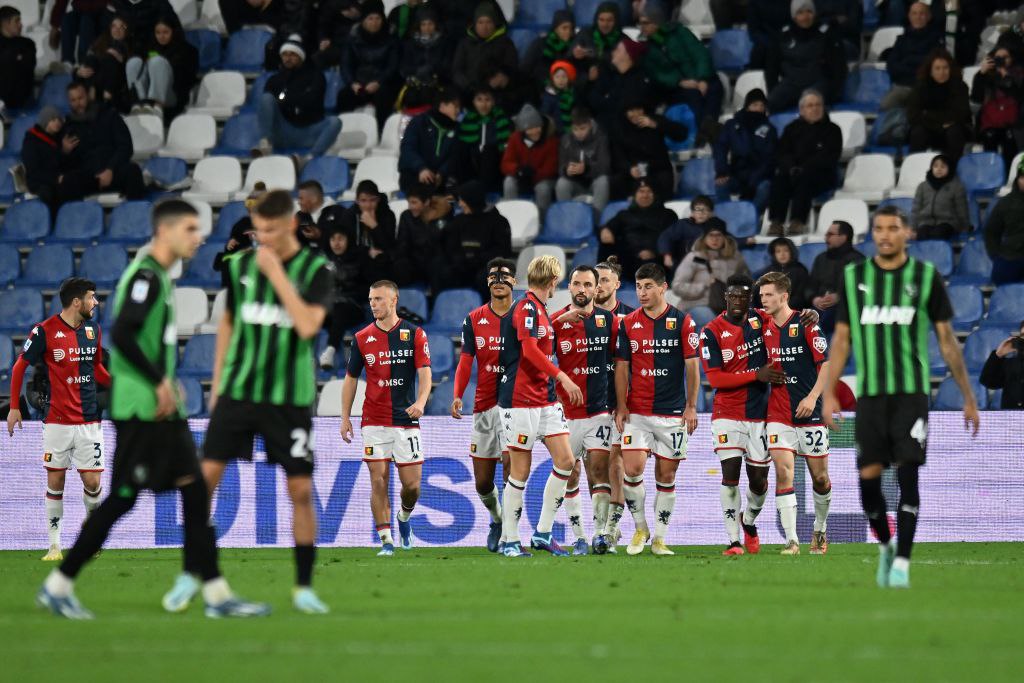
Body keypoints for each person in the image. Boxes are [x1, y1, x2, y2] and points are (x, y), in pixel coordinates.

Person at [37, 200, 269, 620]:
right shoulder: (145, 276)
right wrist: (159, 380)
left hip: (159, 411)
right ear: (166, 231)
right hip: (142, 411)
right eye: (191, 228)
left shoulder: (158, 275)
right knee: (124, 498)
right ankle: (59, 584)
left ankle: (216, 594)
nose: (199, 237)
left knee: (193, 492)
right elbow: (124, 333)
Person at [823, 205, 980, 589]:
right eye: (879, 228)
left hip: (911, 396)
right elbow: (841, 339)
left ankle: (902, 565)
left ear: (907, 233)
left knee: (908, 477)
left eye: (893, 228)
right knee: (868, 487)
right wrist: (829, 394)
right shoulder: (854, 277)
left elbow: (947, 340)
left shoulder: (925, 277)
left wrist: (968, 396)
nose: (885, 235)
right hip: (871, 398)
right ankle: (887, 546)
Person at [202, 190, 333, 614]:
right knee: (203, 483)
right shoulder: (239, 265)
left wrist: (276, 274)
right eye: (259, 231)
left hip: (288, 398)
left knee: (300, 490)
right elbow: (227, 321)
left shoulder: (316, 269)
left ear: (292, 224)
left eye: (272, 231)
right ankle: (204, 579)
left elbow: (308, 326)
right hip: (239, 391)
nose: (264, 239)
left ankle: (303, 587)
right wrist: (217, 384)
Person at [6, 278, 109, 561]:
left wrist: (120, 386)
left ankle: (90, 535)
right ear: (76, 302)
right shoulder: (44, 331)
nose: (95, 302)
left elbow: (97, 369)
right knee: (56, 481)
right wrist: (14, 407)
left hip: (89, 420)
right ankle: (54, 546)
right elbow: (19, 367)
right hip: (57, 422)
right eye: (91, 297)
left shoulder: (93, 330)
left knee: (92, 482)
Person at [498, 255, 584, 558]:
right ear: (553, 281)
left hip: (545, 399)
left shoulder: (538, 309)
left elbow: (540, 332)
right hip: (520, 399)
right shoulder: (526, 307)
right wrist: (563, 377)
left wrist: (560, 319)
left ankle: (543, 533)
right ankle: (510, 540)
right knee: (520, 471)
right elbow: (530, 350)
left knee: (566, 461)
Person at [614, 263, 699, 556]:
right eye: (639, 287)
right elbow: (622, 367)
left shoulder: (683, 322)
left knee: (666, 476)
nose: (642, 292)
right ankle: (640, 528)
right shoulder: (627, 323)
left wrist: (691, 407)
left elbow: (692, 367)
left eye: (648, 286)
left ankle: (660, 539)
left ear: (663, 288)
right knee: (632, 469)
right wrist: (621, 406)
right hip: (637, 412)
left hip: (672, 413)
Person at [341, 281, 432, 556]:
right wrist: (345, 417)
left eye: (379, 299)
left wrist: (420, 402)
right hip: (374, 420)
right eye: (371, 299)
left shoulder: (414, 334)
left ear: (394, 300)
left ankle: (404, 517)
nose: (373, 304)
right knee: (378, 479)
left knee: (412, 486)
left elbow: (425, 373)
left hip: (405, 419)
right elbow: (350, 379)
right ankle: (386, 541)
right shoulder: (362, 338)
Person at [699, 275, 782, 556]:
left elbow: (786, 316)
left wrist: (811, 314)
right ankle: (734, 541)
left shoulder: (761, 319)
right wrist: (756, 374)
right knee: (730, 476)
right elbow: (716, 379)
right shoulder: (711, 332)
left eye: (743, 296)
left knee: (759, 483)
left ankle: (749, 520)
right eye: (733, 296)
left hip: (759, 414)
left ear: (750, 299)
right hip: (727, 414)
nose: (737, 301)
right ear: (726, 298)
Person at [757, 271, 832, 555]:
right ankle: (792, 541)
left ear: (784, 296)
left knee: (820, 479)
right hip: (778, 413)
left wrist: (812, 397)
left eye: (769, 295)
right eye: (761, 295)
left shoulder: (806, 324)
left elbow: (826, 365)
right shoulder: (761, 323)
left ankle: (820, 529)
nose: (763, 300)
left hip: (810, 413)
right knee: (783, 472)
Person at [451, 258, 518, 552]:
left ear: (514, 281)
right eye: (493, 276)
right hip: (483, 406)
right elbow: (466, 361)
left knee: (510, 469)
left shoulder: (524, 315)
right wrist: (457, 394)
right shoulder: (474, 319)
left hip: (514, 404)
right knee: (482, 483)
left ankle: (509, 535)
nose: (499, 280)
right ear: (487, 281)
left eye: (505, 276)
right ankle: (497, 519)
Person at [551, 265, 617, 556]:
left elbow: (621, 364)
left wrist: (621, 404)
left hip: (599, 411)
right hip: (565, 413)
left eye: (588, 284)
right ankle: (578, 537)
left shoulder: (608, 321)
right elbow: (532, 350)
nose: (582, 289)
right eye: (577, 283)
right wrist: (557, 321)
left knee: (599, 471)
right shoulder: (557, 321)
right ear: (569, 287)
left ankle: (600, 534)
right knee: (571, 474)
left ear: (596, 289)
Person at [592, 257, 633, 551]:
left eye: (605, 280)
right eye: (596, 281)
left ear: (617, 284)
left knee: (616, 462)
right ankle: (602, 527)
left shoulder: (630, 318)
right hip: (589, 400)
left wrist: (627, 402)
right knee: (595, 468)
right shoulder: (578, 316)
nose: (599, 286)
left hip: (622, 402)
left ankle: (611, 528)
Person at [255, 35, 342, 165]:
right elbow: (270, 105)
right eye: (284, 54)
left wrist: (285, 99)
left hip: (309, 131)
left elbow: (312, 102)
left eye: (292, 55)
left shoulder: (316, 76)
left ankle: (308, 159)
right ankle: (265, 144)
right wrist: (297, 98)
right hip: (283, 131)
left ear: (301, 57)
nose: (288, 58)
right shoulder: (274, 80)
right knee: (266, 98)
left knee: (335, 122)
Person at [766, 89, 842, 236]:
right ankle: (776, 222)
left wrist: (804, 168)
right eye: (810, 105)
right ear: (802, 110)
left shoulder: (833, 130)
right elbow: (782, 153)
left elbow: (830, 156)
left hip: (821, 175)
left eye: (818, 105)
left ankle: (798, 221)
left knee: (805, 178)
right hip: (792, 172)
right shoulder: (791, 129)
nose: (815, 108)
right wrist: (791, 167)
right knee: (779, 179)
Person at [638, 1, 721, 124]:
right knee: (693, 97)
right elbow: (656, 74)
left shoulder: (679, 32)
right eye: (640, 23)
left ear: (656, 22)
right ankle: (701, 131)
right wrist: (679, 82)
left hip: (700, 78)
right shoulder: (645, 47)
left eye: (646, 23)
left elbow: (700, 54)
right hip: (676, 87)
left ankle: (710, 127)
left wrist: (702, 79)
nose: (642, 27)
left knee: (714, 87)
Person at [63, 80, 146, 199]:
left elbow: (126, 147)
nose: (78, 103)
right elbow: (70, 164)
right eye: (73, 100)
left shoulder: (110, 115)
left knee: (133, 171)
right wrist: (65, 152)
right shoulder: (69, 127)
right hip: (89, 178)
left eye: (80, 98)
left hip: (114, 172)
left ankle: (134, 210)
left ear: (88, 95)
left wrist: (110, 169)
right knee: (68, 181)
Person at [433, 180, 512, 298]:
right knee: (441, 269)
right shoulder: (459, 220)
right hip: (463, 265)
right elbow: (449, 245)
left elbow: (502, 250)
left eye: (462, 200)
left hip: (486, 266)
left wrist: (476, 259)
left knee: (484, 277)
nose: (460, 204)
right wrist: (459, 259)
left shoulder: (498, 221)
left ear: (472, 200)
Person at [765, 1, 847, 112]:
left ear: (814, 13)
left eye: (809, 11)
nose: (805, 17)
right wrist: (772, 90)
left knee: (811, 105)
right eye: (800, 12)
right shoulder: (783, 35)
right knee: (770, 104)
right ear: (794, 16)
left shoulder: (826, 34)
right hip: (791, 83)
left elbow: (839, 67)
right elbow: (772, 67)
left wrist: (832, 94)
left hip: (817, 82)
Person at [337, 1, 400, 129]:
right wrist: (352, 83)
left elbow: (392, 66)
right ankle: (345, 130)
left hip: (382, 84)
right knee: (344, 96)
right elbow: (346, 64)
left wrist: (378, 82)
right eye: (370, 18)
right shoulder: (353, 38)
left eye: (378, 18)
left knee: (384, 97)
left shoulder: (391, 39)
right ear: (363, 20)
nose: (374, 22)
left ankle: (381, 131)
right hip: (358, 83)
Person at [20, 107, 99, 209]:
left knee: (78, 177)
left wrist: (65, 152)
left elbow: (58, 163)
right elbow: (33, 171)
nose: (57, 122)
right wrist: (56, 178)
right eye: (53, 120)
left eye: (59, 119)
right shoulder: (31, 141)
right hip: (40, 182)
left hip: (57, 178)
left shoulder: (58, 137)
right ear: (45, 121)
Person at [598, 181, 678, 281]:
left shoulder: (668, 215)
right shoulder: (624, 214)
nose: (645, 195)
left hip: (656, 260)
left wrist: (654, 252)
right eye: (641, 191)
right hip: (629, 259)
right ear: (635, 195)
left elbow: (672, 237)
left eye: (649, 191)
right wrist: (605, 230)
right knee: (606, 244)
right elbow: (609, 227)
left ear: (655, 194)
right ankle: (604, 281)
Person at [713, 88, 777, 214]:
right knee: (721, 184)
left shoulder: (770, 129)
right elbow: (720, 147)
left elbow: (770, 158)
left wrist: (754, 180)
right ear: (747, 106)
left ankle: (751, 218)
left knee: (765, 187)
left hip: (760, 175)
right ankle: (726, 219)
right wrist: (722, 171)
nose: (758, 109)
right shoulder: (732, 125)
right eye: (755, 105)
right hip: (736, 173)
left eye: (762, 105)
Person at [317, 225, 371, 371]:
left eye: (340, 239)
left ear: (348, 240)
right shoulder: (324, 261)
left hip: (353, 307)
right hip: (331, 308)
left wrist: (346, 289)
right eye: (333, 239)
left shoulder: (360, 259)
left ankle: (330, 352)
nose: (336, 243)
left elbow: (368, 288)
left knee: (340, 311)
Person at [610, 99, 687, 200]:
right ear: (625, 113)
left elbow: (682, 134)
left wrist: (656, 125)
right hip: (634, 172)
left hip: (657, 169)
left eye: (638, 109)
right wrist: (629, 169)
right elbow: (618, 155)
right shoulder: (620, 128)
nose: (636, 114)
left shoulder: (654, 119)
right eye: (631, 111)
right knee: (616, 181)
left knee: (664, 178)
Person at [906, 48, 971, 166]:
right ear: (930, 71)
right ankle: (915, 168)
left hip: (953, 129)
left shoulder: (960, 87)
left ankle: (952, 169)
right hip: (929, 128)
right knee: (917, 133)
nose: (942, 72)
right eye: (937, 68)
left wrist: (928, 114)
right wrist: (940, 124)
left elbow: (961, 113)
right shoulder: (920, 87)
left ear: (951, 69)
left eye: (945, 68)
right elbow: (913, 115)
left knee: (954, 132)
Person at [125, 15, 198, 119]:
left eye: (165, 32)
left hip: (172, 94)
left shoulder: (188, 50)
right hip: (146, 94)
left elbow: (187, 80)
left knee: (157, 61)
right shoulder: (150, 47)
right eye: (158, 33)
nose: (161, 36)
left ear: (173, 31)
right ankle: (137, 104)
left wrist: (164, 65)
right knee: (134, 62)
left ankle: (157, 107)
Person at [671, 224, 751, 313]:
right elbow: (677, 286)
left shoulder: (736, 258)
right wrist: (703, 285)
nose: (714, 239)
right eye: (711, 235)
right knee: (708, 316)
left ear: (725, 238)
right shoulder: (693, 257)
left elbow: (747, 282)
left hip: (726, 306)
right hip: (696, 305)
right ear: (704, 238)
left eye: (718, 235)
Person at [881, 1, 944, 111]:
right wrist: (914, 66)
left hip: (924, 88)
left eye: (921, 14)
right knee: (886, 105)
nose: (918, 17)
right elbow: (891, 65)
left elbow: (930, 66)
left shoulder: (936, 40)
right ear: (909, 16)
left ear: (928, 17)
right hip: (902, 86)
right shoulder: (901, 40)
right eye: (914, 13)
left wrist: (907, 62)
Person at [806, 220, 864, 335]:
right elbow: (810, 286)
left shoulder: (858, 260)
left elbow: (862, 289)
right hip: (818, 306)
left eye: (830, 234)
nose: (826, 238)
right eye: (826, 234)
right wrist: (815, 299)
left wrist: (839, 297)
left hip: (844, 309)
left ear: (844, 237)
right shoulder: (821, 258)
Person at [398, 87, 461, 194]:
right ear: (442, 105)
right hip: (415, 175)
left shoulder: (457, 129)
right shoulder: (419, 122)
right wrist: (421, 168)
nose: (458, 111)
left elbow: (454, 156)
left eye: (459, 107)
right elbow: (408, 148)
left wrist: (442, 173)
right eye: (455, 106)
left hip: (440, 179)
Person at [971, 45, 1024, 170]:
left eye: (1005, 57)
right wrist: (981, 74)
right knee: (990, 138)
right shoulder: (984, 76)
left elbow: (1020, 97)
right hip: (990, 122)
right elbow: (976, 99)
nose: (1001, 60)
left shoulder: (1019, 75)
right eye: (998, 57)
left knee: (1010, 141)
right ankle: (991, 174)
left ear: (1012, 59)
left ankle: (1009, 175)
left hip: (1013, 124)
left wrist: (1007, 77)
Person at [501, 104, 559, 216]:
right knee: (509, 182)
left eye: (537, 127)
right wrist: (518, 170)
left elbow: (551, 168)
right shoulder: (515, 138)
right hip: (521, 175)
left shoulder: (551, 140)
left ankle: (541, 219)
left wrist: (534, 173)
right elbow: (506, 163)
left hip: (543, 178)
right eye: (530, 129)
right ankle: (511, 217)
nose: (534, 131)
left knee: (543, 189)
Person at [451, 1, 517, 97]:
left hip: (495, 95)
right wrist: (469, 87)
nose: (484, 27)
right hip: (468, 94)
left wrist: (503, 76)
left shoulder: (505, 43)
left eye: (488, 22)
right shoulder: (465, 44)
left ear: (495, 24)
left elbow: (511, 68)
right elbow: (457, 70)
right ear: (475, 24)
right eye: (480, 22)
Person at [586, 38, 652, 131]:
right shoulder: (613, 74)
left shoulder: (637, 82)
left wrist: (604, 100)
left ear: (628, 55)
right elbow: (594, 99)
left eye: (618, 50)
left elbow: (615, 107)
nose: (613, 52)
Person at [396, 5, 453, 110]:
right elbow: (404, 67)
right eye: (423, 24)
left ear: (436, 25)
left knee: (430, 96)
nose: (427, 28)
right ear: (419, 26)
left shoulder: (444, 43)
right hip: (414, 82)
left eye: (430, 24)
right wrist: (417, 72)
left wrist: (432, 71)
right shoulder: (410, 44)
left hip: (437, 83)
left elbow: (447, 66)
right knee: (411, 97)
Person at [555, 107, 611, 214]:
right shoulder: (566, 139)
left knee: (603, 181)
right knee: (561, 183)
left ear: (590, 125)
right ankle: (568, 218)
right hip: (576, 183)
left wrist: (587, 168)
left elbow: (605, 166)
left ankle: (597, 219)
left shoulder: (601, 138)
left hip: (594, 182)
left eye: (582, 128)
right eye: (575, 129)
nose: (579, 133)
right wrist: (567, 170)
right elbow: (561, 167)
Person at [456, 85, 510, 193]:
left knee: (489, 151)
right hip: (472, 164)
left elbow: (505, 147)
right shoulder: (467, 119)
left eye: (487, 99)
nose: (483, 104)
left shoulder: (500, 118)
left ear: (493, 102)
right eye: (479, 99)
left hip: (494, 165)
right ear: (473, 101)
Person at [391, 185, 446, 287]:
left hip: (434, 263)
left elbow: (441, 246)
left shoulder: (440, 216)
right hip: (414, 263)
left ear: (426, 202)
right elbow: (402, 244)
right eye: (409, 202)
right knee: (400, 265)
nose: (410, 207)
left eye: (414, 202)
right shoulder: (406, 216)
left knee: (439, 264)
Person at [340, 179, 397, 278]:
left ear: (378, 199)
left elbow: (389, 246)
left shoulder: (387, 215)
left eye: (372, 200)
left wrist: (374, 226)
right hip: (357, 262)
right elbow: (347, 247)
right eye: (363, 200)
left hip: (381, 263)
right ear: (357, 201)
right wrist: (367, 252)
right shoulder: (349, 216)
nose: (368, 205)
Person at [74, 15, 132, 111]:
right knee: (91, 59)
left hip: (117, 89)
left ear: (127, 29)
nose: (117, 30)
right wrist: (78, 72)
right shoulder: (101, 42)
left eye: (122, 27)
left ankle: (105, 97)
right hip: (97, 85)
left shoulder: (131, 44)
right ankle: (92, 94)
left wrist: (123, 61)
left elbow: (133, 69)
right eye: (114, 26)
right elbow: (86, 62)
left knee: (110, 59)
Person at [658, 195, 728, 274]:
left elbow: (729, 240)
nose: (701, 213)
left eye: (705, 210)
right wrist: (667, 255)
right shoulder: (683, 225)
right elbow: (666, 237)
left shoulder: (716, 226)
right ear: (692, 212)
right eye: (698, 209)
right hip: (683, 264)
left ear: (711, 213)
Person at [911, 154, 970, 240]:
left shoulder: (957, 187)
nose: (939, 169)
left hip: (948, 223)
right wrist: (913, 228)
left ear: (950, 169)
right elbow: (916, 209)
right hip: (925, 222)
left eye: (943, 166)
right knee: (922, 234)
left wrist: (965, 228)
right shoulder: (922, 186)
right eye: (935, 166)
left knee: (938, 234)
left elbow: (962, 210)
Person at [984, 160, 1024, 285]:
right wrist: (996, 255)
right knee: (1001, 278)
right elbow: (991, 232)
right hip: (1011, 257)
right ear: (1017, 179)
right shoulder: (1005, 203)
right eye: (1023, 177)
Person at [521, 10, 577, 91]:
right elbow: (526, 68)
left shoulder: (576, 46)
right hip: (540, 90)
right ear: (556, 28)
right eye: (564, 28)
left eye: (571, 28)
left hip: (568, 92)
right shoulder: (540, 44)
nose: (568, 32)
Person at [571, 1, 623, 82]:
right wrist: (574, 55)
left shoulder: (623, 40)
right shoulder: (585, 34)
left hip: (611, 83)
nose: (605, 24)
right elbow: (569, 57)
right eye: (601, 20)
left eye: (609, 20)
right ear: (596, 19)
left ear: (616, 21)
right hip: (585, 83)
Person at [753, 237, 809, 310]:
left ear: (792, 252)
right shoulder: (767, 271)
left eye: (786, 250)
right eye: (778, 251)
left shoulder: (801, 270)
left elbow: (800, 296)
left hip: (792, 310)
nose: (782, 254)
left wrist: (782, 308)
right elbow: (758, 294)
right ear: (774, 254)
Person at [48, 0, 109, 66]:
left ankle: (84, 63)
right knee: (67, 20)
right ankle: (67, 63)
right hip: (80, 11)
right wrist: (55, 26)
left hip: (100, 14)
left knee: (86, 22)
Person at [0, 4, 36, 113]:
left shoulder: (27, 44)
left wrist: (8, 58)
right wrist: (16, 58)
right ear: (6, 23)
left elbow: (29, 65)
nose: (21, 24)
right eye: (17, 21)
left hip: (24, 101)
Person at [980, 321, 1024, 409]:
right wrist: (997, 355)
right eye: (1023, 336)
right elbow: (988, 382)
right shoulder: (1011, 363)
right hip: (1011, 415)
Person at [312, 0, 361, 68]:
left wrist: (359, 16)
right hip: (337, 40)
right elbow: (324, 24)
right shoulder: (330, 4)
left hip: (357, 39)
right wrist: (323, 39)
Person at [539, 60, 577, 135]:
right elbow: (545, 114)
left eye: (564, 77)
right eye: (557, 77)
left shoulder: (572, 93)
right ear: (552, 79)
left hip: (572, 130)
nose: (560, 80)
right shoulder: (549, 96)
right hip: (556, 132)